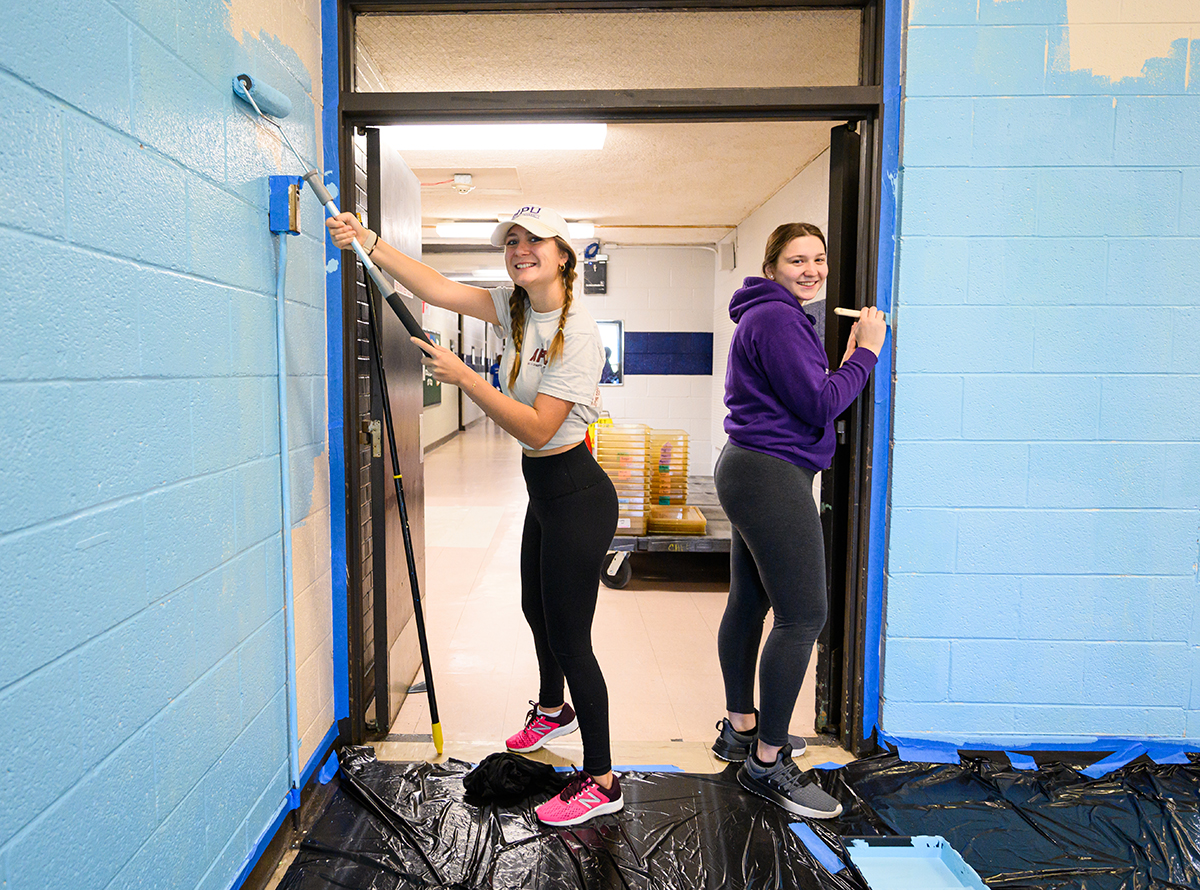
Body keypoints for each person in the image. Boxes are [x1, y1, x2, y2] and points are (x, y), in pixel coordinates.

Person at [325, 205, 622, 827]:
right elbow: (436, 287)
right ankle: (552, 710)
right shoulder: (511, 308)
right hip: (544, 491)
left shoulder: (579, 333)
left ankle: (601, 778)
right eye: (511, 242)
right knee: (533, 608)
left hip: (575, 492)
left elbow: (540, 431)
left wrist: (464, 378)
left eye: (533, 241)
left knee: (571, 638)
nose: (519, 250)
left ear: (563, 254)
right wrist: (368, 240)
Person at [712, 223, 886, 819]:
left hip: (749, 467)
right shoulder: (780, 318)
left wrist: (839, 363)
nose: (811, 269)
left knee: (749, 602)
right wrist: (867, 353)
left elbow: (805, 391)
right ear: (771, 267)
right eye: (796, 260)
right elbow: (819, 405)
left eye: (819, 259)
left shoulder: (770, 315)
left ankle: (741, 730)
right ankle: (766, 762)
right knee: (804, 614)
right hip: (771, 474)